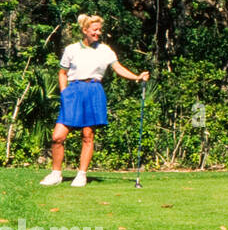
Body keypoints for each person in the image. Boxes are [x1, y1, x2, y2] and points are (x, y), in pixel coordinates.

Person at [39, 14, 149, 187]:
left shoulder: (105, 50)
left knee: (87, 135)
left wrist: (136, 77)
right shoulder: (71, 49)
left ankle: (81, 175)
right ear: (85, 30)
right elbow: (62, 73)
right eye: (95, 30)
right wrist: (64, 92)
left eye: (99, 29)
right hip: (73, 91)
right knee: (57, 136)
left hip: (94, 90)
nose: (98, 33)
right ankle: (56, 173)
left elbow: (118, 68)